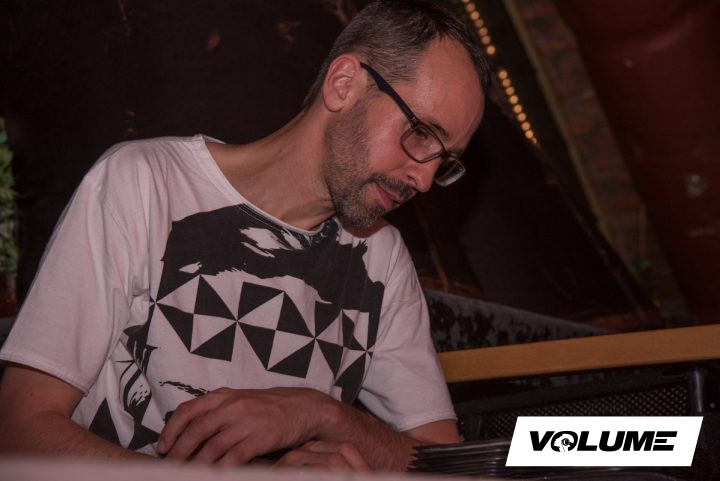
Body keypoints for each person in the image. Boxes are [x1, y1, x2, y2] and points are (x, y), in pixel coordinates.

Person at [0, 0, 488, 471]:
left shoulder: (380, 256)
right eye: (420, 133)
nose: (425, 179)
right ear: (344, 85)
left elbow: (447, 464)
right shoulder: (144, 183)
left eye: (444, 160)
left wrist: (324, 415)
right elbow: (18, 433)